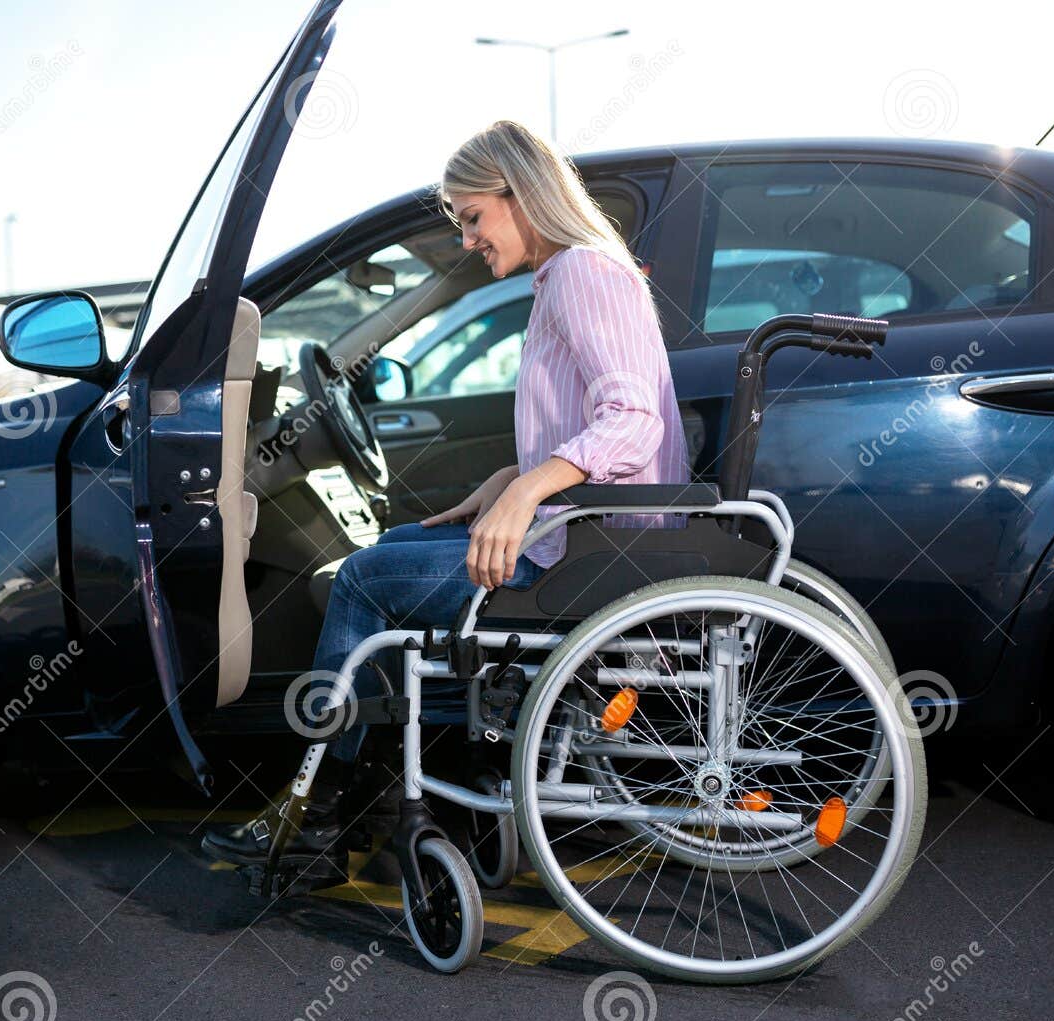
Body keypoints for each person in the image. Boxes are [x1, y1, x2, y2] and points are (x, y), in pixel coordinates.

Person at [201, 118, 690, 881]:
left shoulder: (585, 273)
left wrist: (529, 489)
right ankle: (372, 802)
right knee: (390, 551)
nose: (467, 240)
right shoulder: (569, 276)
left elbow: (631, 424)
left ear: (522, 194)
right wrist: (507, 480)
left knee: (362, 580)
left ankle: (318, 817)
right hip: (582, 535)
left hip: (588, 556)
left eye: (473, 217)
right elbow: (592, 426)